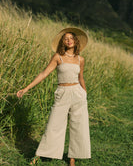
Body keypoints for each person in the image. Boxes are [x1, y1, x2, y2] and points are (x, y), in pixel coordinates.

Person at [17, 27, 91, 166]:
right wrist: (26, 88)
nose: (69, 40)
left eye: (71, 38)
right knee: (53, 125)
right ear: (63, 42)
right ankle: (39, 155)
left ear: (75, 41)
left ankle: (72, 158)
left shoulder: (80, 59)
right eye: (66, 39)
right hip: (62, 93)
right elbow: (44, 73)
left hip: (78, 93)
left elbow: (81, 78)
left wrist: (84, 94)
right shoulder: (58, 57)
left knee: (78, 126)